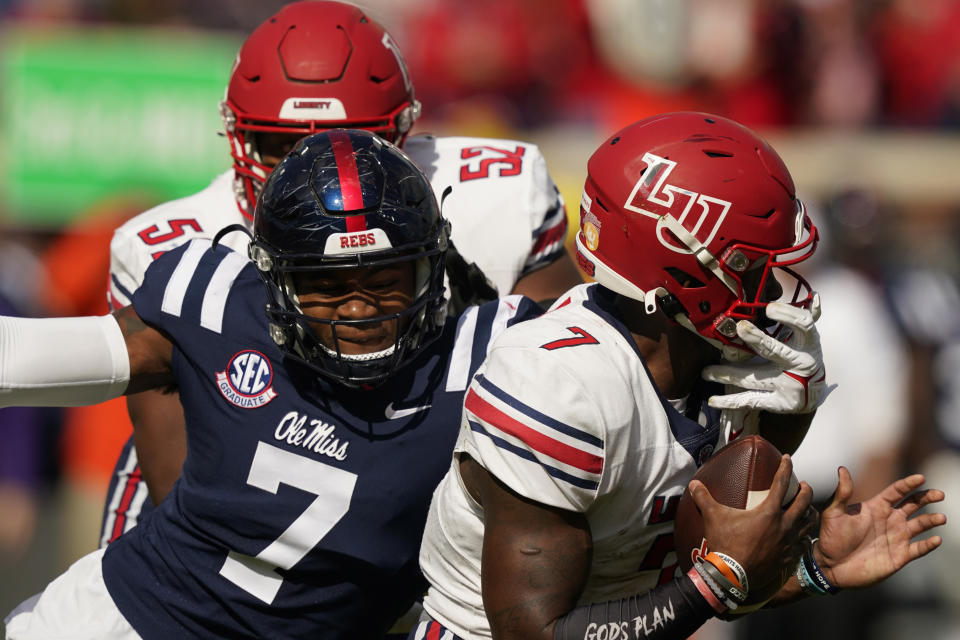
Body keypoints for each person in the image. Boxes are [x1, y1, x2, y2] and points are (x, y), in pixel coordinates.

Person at [410, 112, 946, 640]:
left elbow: (667, 589)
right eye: (750, 267)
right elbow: (536, 631)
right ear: (679, 267)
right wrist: (720, 579)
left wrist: (812, 569)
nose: (777, 291)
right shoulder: (560, 381)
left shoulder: (715, 366)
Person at [3, 129, 548, 639]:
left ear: (431, 272)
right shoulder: (218, 307)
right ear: (275, 281)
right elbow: (32, 356)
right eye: (327, 287)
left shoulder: (485, 355)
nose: (358, 309)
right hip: (129, 621)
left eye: (385, 281)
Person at [100, 0, 582, 546]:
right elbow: (177, 474)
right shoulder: (165, 249)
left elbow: (575, 382)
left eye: (354, 139)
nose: (313, 165)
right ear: (240, 137)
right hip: (230, 512)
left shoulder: (499, 196)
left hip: (439, 500)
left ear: (405, 131)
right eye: (282, 145)